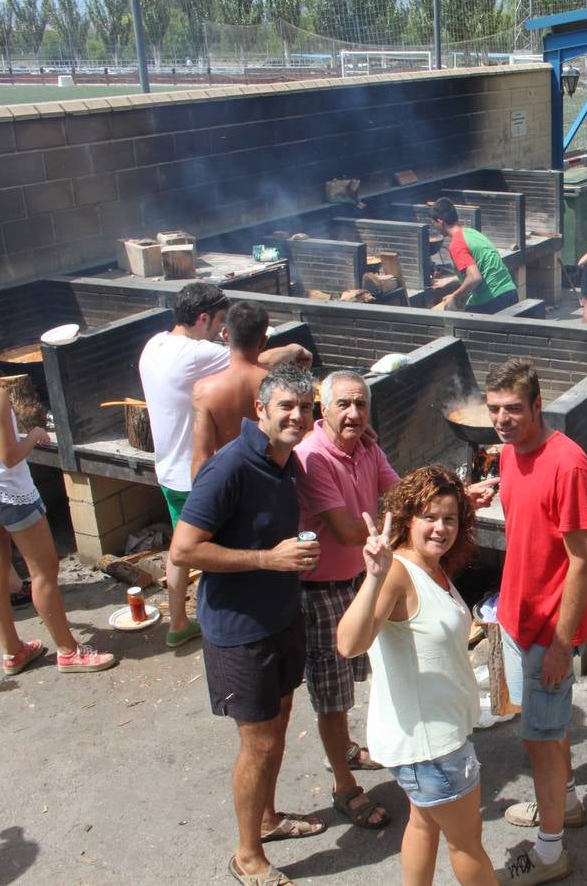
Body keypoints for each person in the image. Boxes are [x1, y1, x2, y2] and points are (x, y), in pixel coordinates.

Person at [171, 364, 328, 884]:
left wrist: (359, 431)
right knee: (257, 744)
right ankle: (247, 855)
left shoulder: (285, 460)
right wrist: (268, 560)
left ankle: (267, 819)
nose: (297, 416)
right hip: (240, 631)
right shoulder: (230, 467)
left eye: (306, 408)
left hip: (282, 617)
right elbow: (184, 549)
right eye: (286, 406)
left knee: (278, 726)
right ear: (259, 410)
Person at [337, 466, 497, 886]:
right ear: (408, 517)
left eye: (450, 518)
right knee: (467, 843)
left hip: (441, 734)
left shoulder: (433, 567)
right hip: (431, 746)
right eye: (429, 516)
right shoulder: (396, 572)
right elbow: (349, 644)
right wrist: (372, 576)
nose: (440, 528)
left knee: (424, 824)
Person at [0, 313, 116, 675]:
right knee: (44, 572)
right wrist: (33, 436)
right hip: (9, 495)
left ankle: (13, 651)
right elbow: (8, 457)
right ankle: (68, 651)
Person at [140, 283, 306, 649]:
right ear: (205, 319)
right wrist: (294, 349)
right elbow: (249, 359)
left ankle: (178, 621)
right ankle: (228, 619)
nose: (218, 331)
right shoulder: (201, 356)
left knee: (180, 549)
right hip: (219, 480)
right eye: (216, 322)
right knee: (223, 549)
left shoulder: (155, 345)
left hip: (171, 469)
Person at [483, 360, 587, 885]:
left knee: (540, 739)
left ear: (536, 406)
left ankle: (551, 854)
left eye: (513, 409)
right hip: (515, 615)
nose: (503, 419)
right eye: (495, 410)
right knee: (546, 735)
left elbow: (582, 560)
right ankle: (566, 806)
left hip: (546, 630)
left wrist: (558, 646)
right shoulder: (509, 453)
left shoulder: (569, 465)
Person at [294, 370, 402, 832]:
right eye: (344, 404)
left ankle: (347, 751)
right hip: (320, 590)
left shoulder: (366, 447)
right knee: (333, 697)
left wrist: (450, 500)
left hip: (357, 580)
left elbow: (398, 493)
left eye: (361, 405)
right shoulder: (313, 456)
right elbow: (344, 529)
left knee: (352, 678)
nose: (354, 413)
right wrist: (398, 525)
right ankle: (343, 786)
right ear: (324, 409)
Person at [190, 300, 273, 480]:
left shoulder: (205, 390)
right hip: (272, 479)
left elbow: (201, 457)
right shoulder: (279, 382)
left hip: (231, 481)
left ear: (225, 334)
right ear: (264, 340)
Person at [430, 198, 520, 314]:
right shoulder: (472, 233)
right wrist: (452, 279)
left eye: (434, 224)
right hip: (510, 292)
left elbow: (474, 278)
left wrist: (454, 296)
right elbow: (482, 267)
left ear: (440, 222)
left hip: (491, 300)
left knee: (462, 328)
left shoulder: (457, 243)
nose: (435, 227)